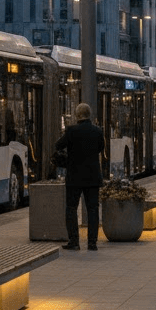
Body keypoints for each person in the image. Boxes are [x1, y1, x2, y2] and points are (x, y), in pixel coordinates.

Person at [54, 102, 105, 251]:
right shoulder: (97, 131)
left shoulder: (71, 131)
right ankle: (92, 243)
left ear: (77, 115)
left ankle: (74, 242)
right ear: (90, 115)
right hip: (93, 177)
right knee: (93, 210)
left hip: (74, 177)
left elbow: (58, 145)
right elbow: (101, 148)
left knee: (71, 208)